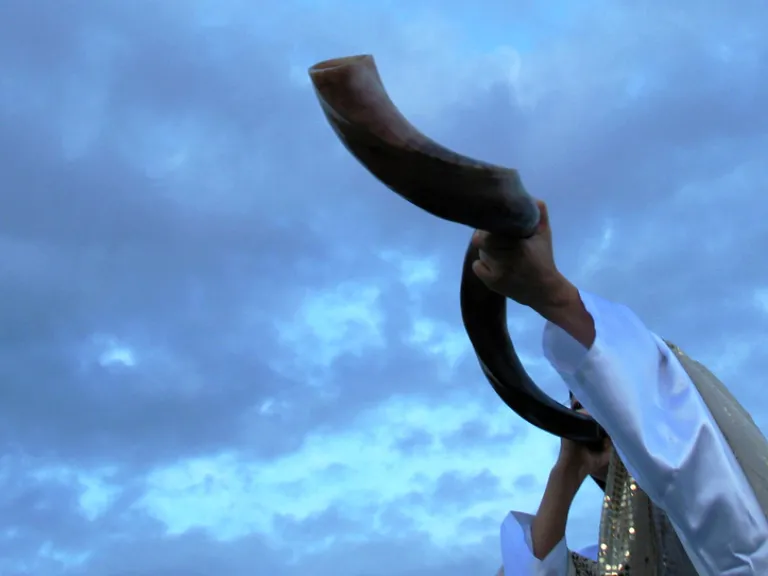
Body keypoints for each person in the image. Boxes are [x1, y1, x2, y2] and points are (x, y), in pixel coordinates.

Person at [471, 201, 768, 575]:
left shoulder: (706, 531)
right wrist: (567, 470)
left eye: (603, 400)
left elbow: (738, 532)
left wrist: (555, 296)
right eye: (577, 406)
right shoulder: (610, 562)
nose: (588, 416)